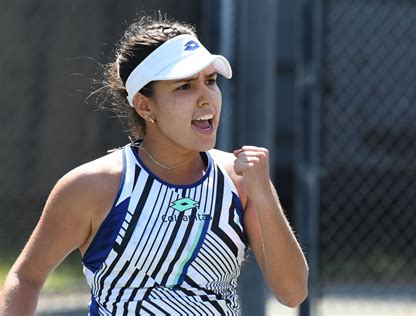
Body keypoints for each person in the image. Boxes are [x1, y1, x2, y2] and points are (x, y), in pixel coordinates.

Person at [0, 14, 308, 315]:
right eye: (184, 87)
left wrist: (264, 194)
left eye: (210, 81)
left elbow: (292, 292)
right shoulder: (92, 186)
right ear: (145, 106)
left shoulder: (241, 179)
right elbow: (26, 277)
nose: (206, 98)